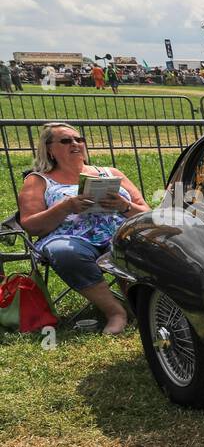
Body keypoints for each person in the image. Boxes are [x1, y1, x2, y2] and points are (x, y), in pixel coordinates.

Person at [16, 124, 149, 334]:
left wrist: (123, 206)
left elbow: (145, 213)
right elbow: (31, 225)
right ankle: (115, 312)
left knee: (136, 245)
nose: (75, 144)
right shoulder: (38, 180)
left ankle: (140, 307)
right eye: (66, 141)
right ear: (49, 149)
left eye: (79, 139)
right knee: (65, 252)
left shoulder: (110, 173)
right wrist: (66, 206)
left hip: (118, 232)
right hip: (68, 237)